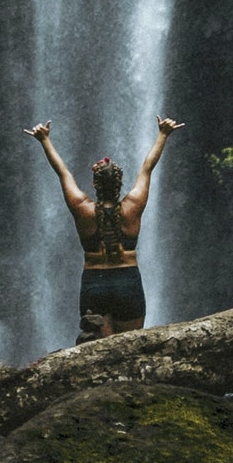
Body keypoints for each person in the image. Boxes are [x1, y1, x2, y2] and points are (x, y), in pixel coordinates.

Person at [24, 116, 184, 338]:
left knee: (99, 352)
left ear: (94, 185)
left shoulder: (82, 208)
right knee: (130, 347)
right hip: (127, 282)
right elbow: (148, 167)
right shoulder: (133, 206)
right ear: (119, 183)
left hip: (94, 285)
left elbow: (63, 172)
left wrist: (44, 141)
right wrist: (163, 134)